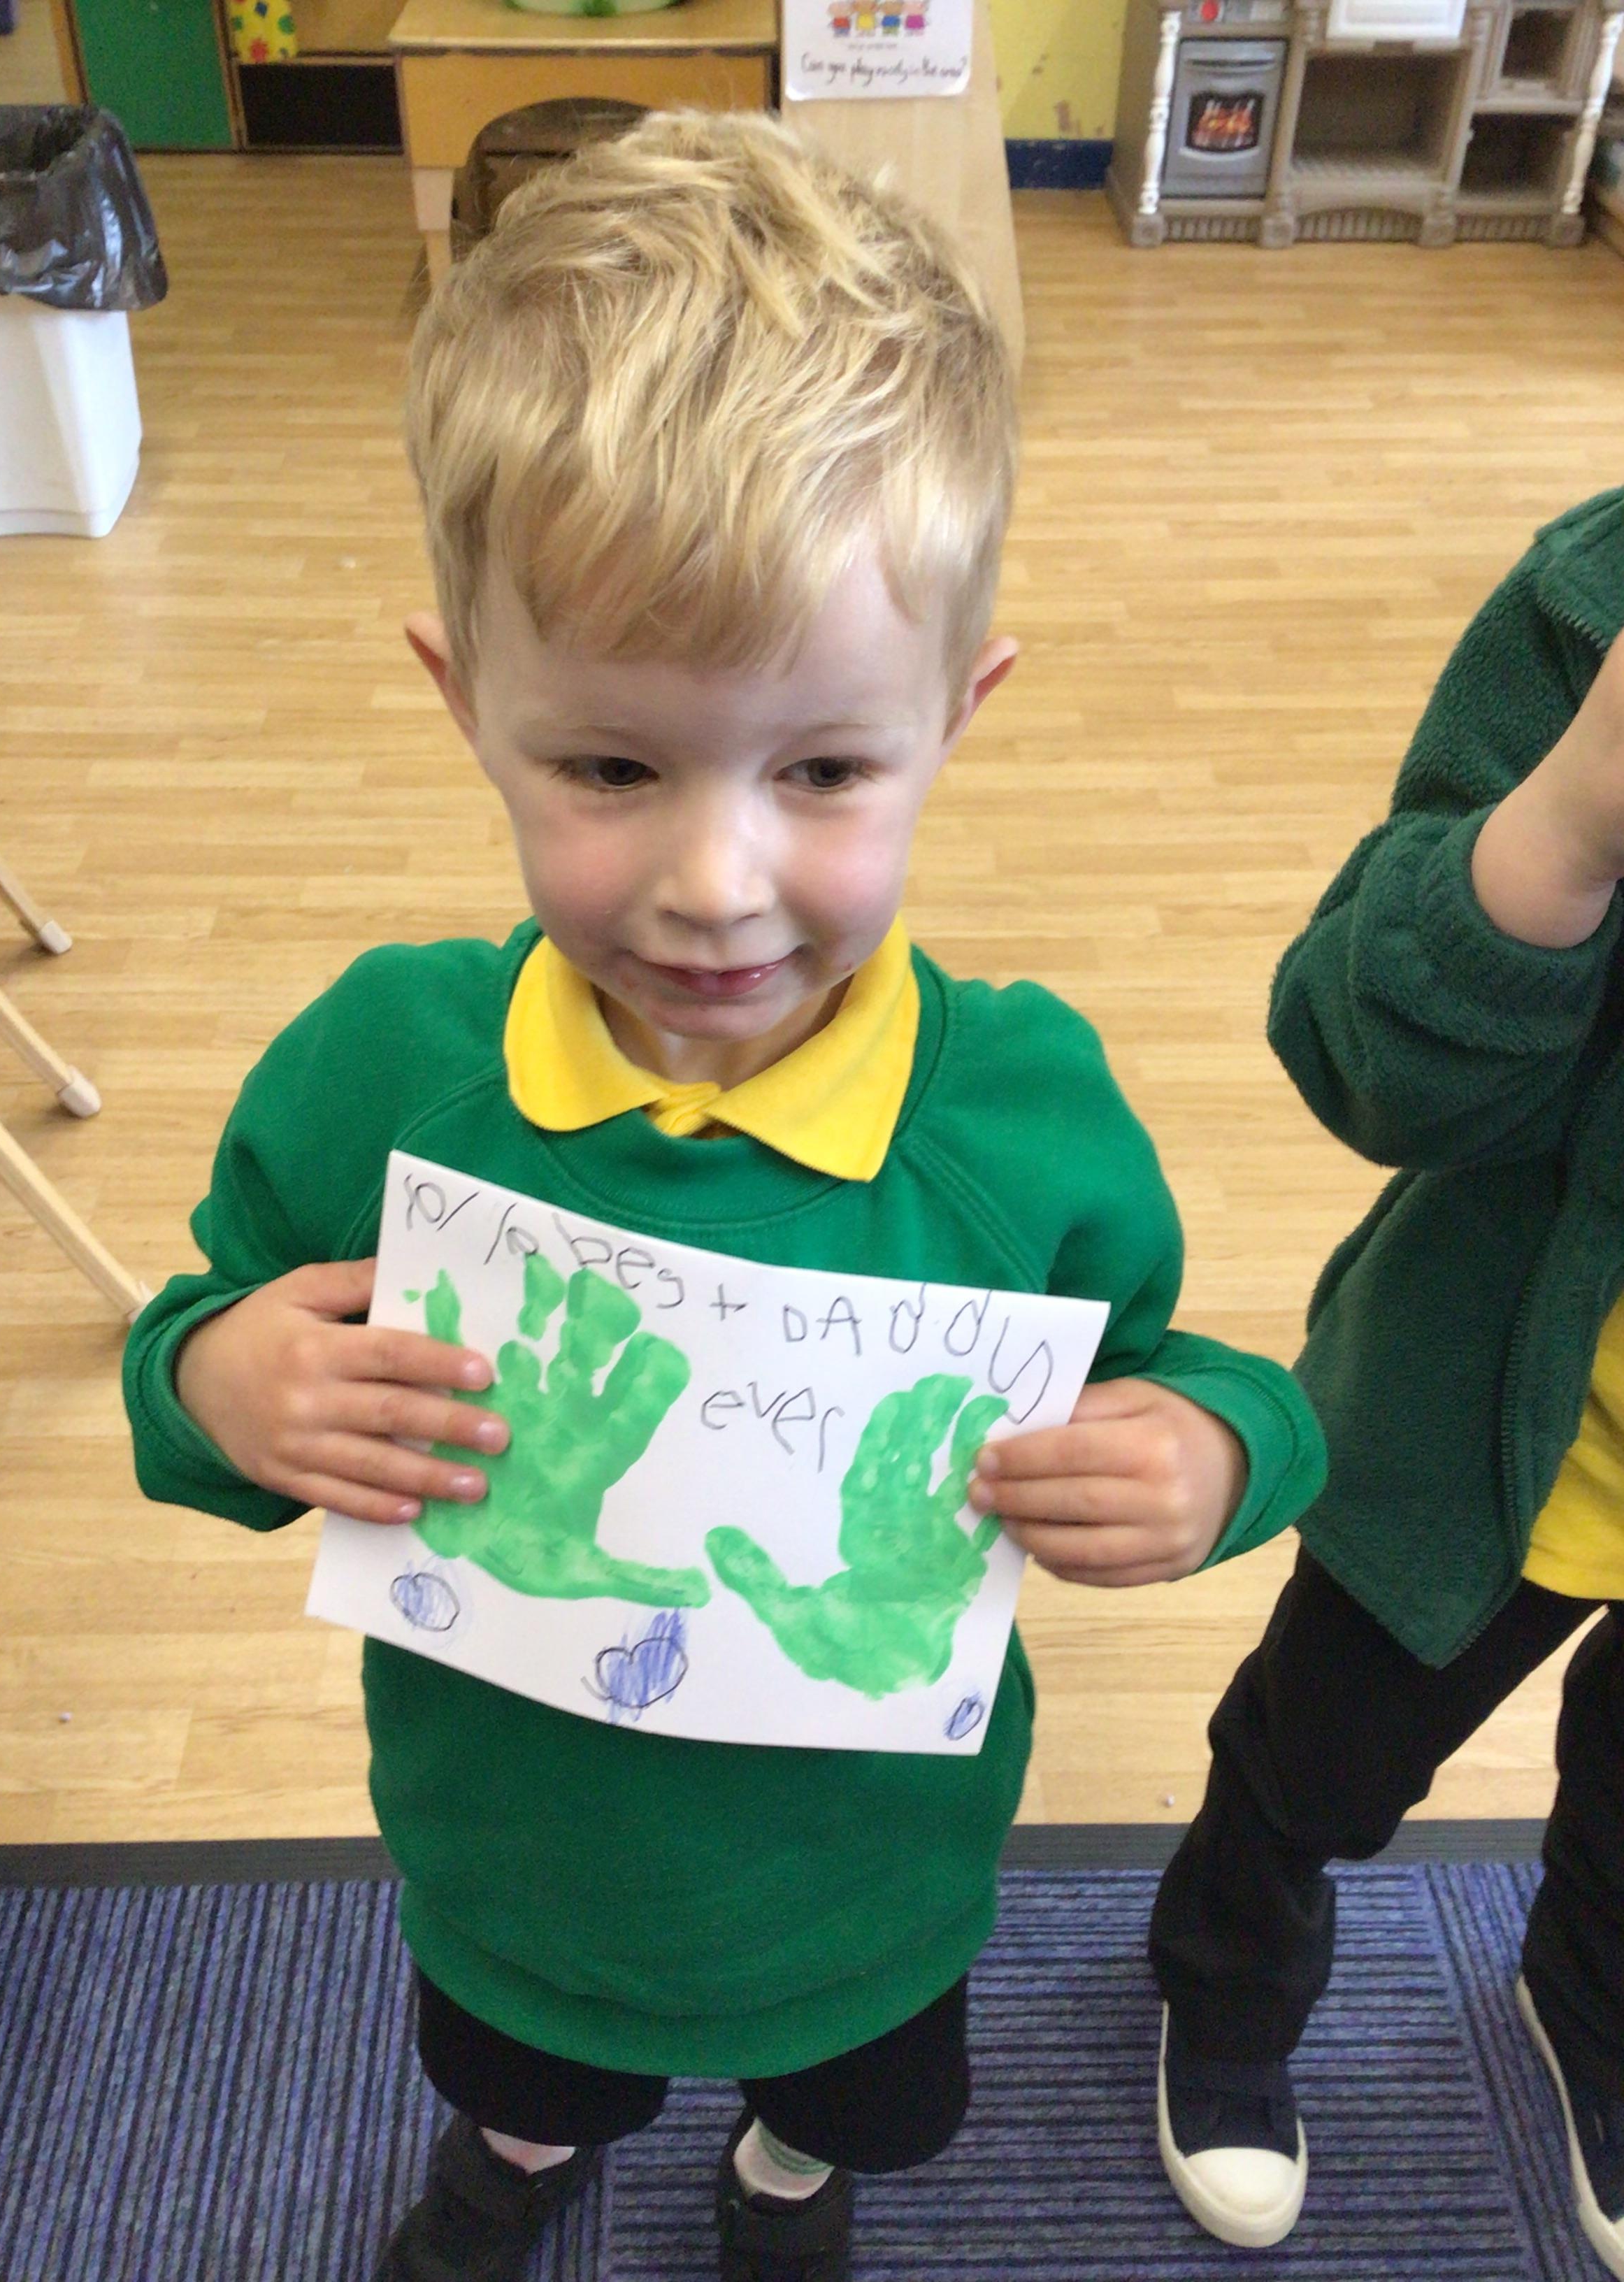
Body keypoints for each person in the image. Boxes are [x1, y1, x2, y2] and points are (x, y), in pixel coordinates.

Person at [122, 112, 1324, 2282]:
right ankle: (517, 2159)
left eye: (825, 769)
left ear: (956, 717)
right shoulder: (382, 1074)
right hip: (517, 1877)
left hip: (869, 1892)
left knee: (850, 2115)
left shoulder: (1021, 1118)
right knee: (520, 2085)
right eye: (611, 766)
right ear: (466, 703)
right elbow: (190, 1351)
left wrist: (1221, 1457)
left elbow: (1191, 1372)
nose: (714, 882)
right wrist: (222, 1383)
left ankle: (780, 2182)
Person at [1147, 486, 1624, 2275]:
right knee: (1321, 1755)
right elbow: (1364, 1058)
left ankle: (1592, 2013)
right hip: (1496, 1408)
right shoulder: (1592, 603)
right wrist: (1567, 827)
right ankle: (1226, 1984)